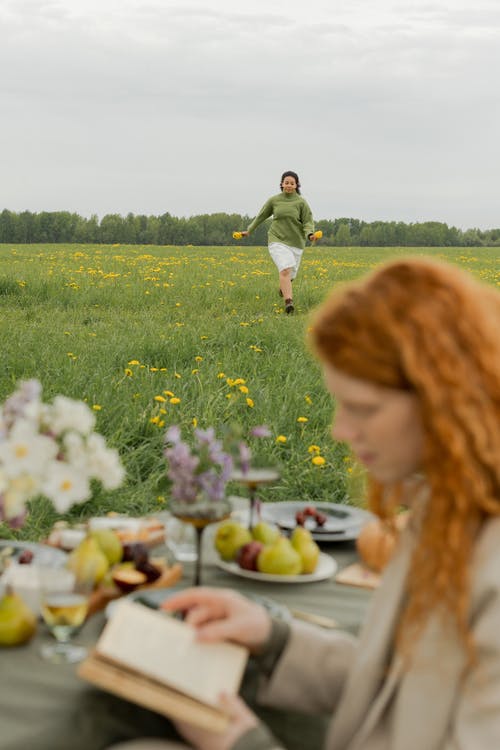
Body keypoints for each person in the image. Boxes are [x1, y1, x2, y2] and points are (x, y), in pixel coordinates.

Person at [109, 256, 500, 750]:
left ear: (449, 403)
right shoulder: (447, 510)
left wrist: (241, 742)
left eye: (363, 409)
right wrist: (274, 639)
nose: (340, 431)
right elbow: (404, 683)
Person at [236, 171, 316, 314]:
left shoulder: (301, 202)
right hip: (277, 240)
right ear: (281, 184)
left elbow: (308, 222)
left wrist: (310, 234)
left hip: (296, 243)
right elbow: (261, 216)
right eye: (286, 182)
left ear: (297, 185)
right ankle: (288, 303)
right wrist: (249, 230)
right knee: (285, 269)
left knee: (290, 275)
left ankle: (283, 287)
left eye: (292, 183)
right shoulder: (274, 200)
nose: (289, 185)